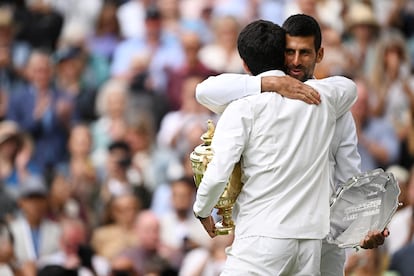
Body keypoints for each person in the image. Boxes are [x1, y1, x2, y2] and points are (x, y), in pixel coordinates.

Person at [193, 19, 357, 275]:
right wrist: (271, 83)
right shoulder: (324, 99)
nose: (295, 61)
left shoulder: (243, 106)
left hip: (263, 237)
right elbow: (350, 87)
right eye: (290, 52)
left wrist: (202, 209)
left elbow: (219, 168)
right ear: (281, 55)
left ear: (245, 65)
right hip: (310, 242)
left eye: (304, 53)